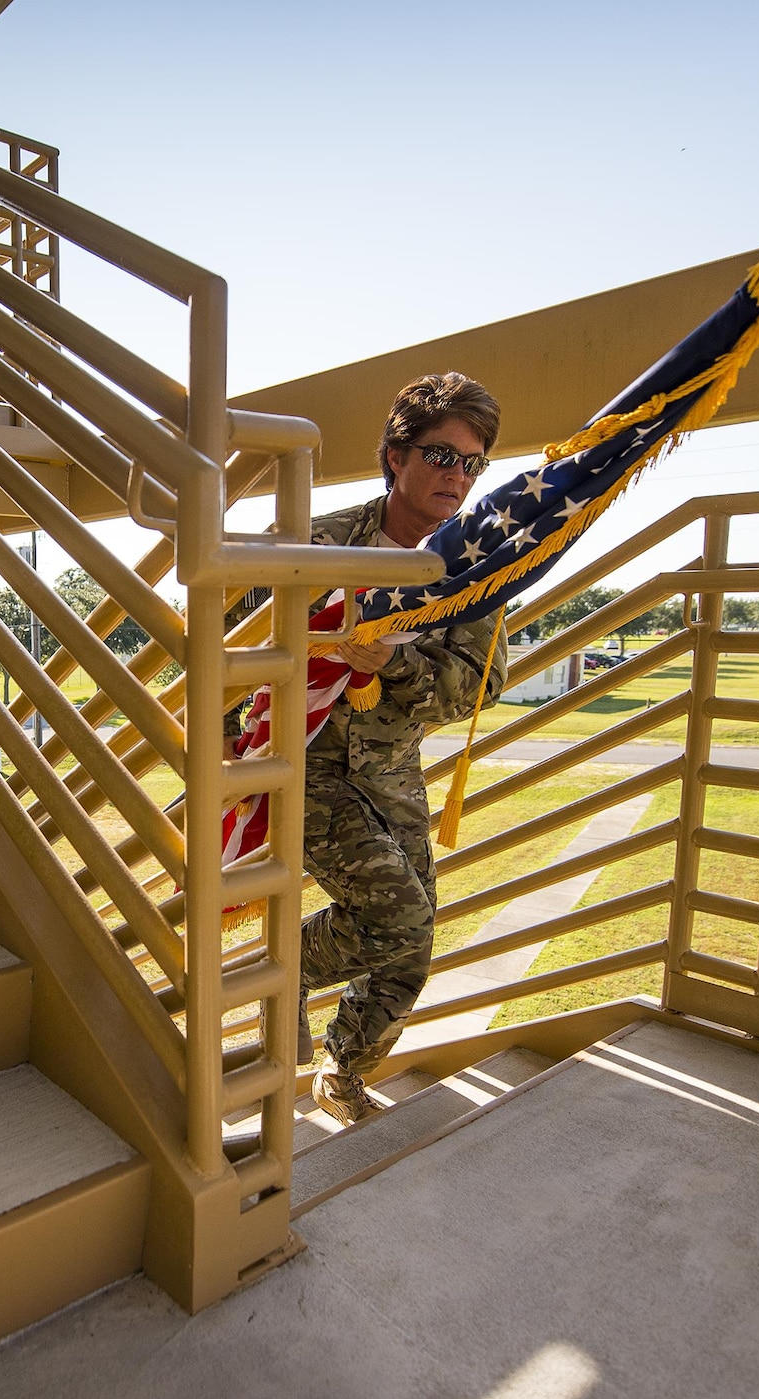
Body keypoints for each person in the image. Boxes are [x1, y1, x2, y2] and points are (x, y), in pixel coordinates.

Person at [300, 372, 507, 1125]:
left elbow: (472, 687)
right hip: (306, 768)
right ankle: (282, 968)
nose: (457, 475)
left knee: (410, 950)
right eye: (440, 454)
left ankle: (342, 1065)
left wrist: (392, 664)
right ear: (395, 455)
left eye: (473, 462)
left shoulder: (473, 568)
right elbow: (239, 644)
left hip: (392, 777)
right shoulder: (320, 542)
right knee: (402, 921)